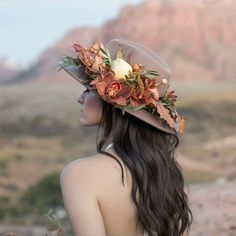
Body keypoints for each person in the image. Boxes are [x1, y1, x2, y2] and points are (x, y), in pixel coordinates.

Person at [59, 39, 193, 236]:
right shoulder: (162, 167)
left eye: (88, 89)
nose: (80, 98)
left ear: (112, 101)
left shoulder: (78, 174)